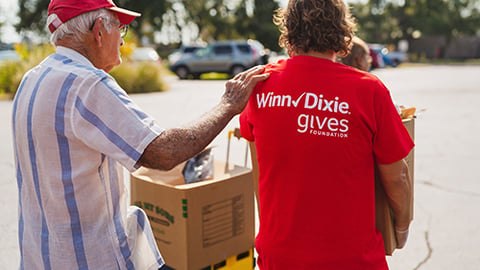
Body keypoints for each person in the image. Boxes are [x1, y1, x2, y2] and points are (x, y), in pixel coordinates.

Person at [11, 0, 269, 269]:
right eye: (119, 29)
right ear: (99, 31)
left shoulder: (33, 79)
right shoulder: (87, 84)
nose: (122, 41)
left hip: (40, 258)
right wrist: (229, 103)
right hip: (88, 260)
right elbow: (164, 152)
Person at [239, 0, 414, 269]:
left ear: (289, 30)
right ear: (342, 30)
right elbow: (397, 175)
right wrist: (400, 228)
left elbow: (260, 164)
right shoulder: (368, 90)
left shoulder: (261, 85)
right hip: (351, 259)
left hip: (280, 255)